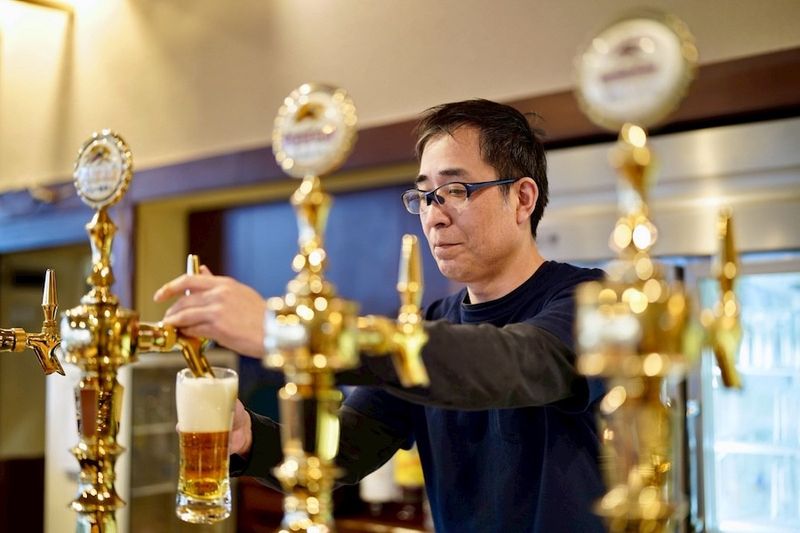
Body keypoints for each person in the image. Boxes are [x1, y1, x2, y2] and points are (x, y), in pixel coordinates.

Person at [154, 99, 606, 532]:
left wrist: (285, 332)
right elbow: (346, 449)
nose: (434, 216)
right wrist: (249, 437)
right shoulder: (429, 324)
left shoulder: (588, 300)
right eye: (425, 195)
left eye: (455, 190)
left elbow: (511, 362)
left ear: (523, 198)